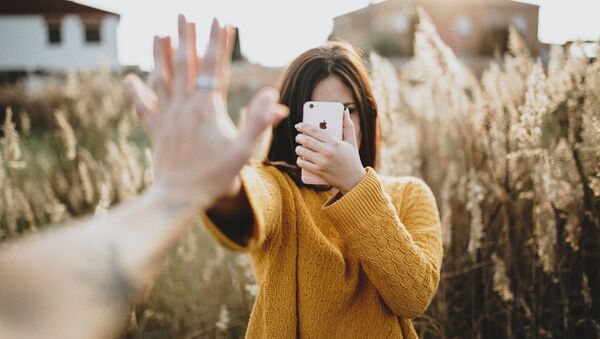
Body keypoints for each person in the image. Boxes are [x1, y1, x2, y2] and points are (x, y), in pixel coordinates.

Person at [0, 15, 288, 339]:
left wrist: (179, 190)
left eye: (346, 110)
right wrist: (182, 190)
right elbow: (24, 307)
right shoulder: (281, 186)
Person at [203, 40, 443, 338]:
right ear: (292, 123)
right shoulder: (279, 188)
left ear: (366, 116)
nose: (335, 130)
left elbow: (413, 297)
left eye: (348, 111)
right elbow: (248, 204)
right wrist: (224, 183)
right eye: (319, 116)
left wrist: (356, 186)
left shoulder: (409, 195)